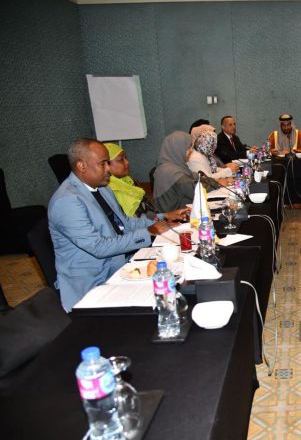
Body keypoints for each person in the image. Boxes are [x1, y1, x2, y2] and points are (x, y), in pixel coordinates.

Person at [48, 139, 169, 311]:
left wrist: (162, 220)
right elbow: (99, 247)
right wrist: (149, 232)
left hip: (117, 266)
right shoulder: (67, 201)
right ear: (82, 166)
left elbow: (125, 223)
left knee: (168, 277)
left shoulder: (102, 188)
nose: (108, 169)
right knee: (157, 300)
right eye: (103, 164)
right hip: (92, 283)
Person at [104, 143, 188, 221]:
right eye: (121, 160)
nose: (127, 162)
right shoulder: (108, 191)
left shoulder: (130, 181)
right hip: (139, 229)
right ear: (106, 165)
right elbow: (129, 223)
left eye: (126, 158)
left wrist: (164, 218)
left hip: (153, 222)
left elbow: (148, 210)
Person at [153, 126, 223, 212]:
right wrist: (217, 183)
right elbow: (196, 190)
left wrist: (214, 180)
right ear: (178, 148)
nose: (191, 150)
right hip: (176, 215)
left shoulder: (175, 165)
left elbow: (197, 177)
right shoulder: (171, 172)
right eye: (188, 147)